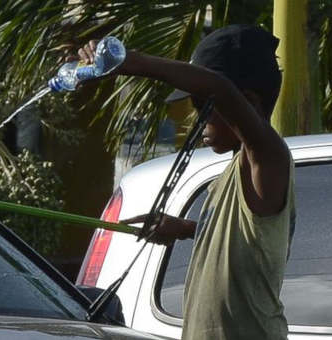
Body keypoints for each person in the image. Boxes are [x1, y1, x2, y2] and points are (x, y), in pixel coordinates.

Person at [77, 24, 294, 340]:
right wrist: (188, 229)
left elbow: (220, 90)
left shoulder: (269, 158)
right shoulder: (234, 173)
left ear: (248, 102)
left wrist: (135, 63)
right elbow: (251, 241)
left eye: (200, 105)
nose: (196, 119)